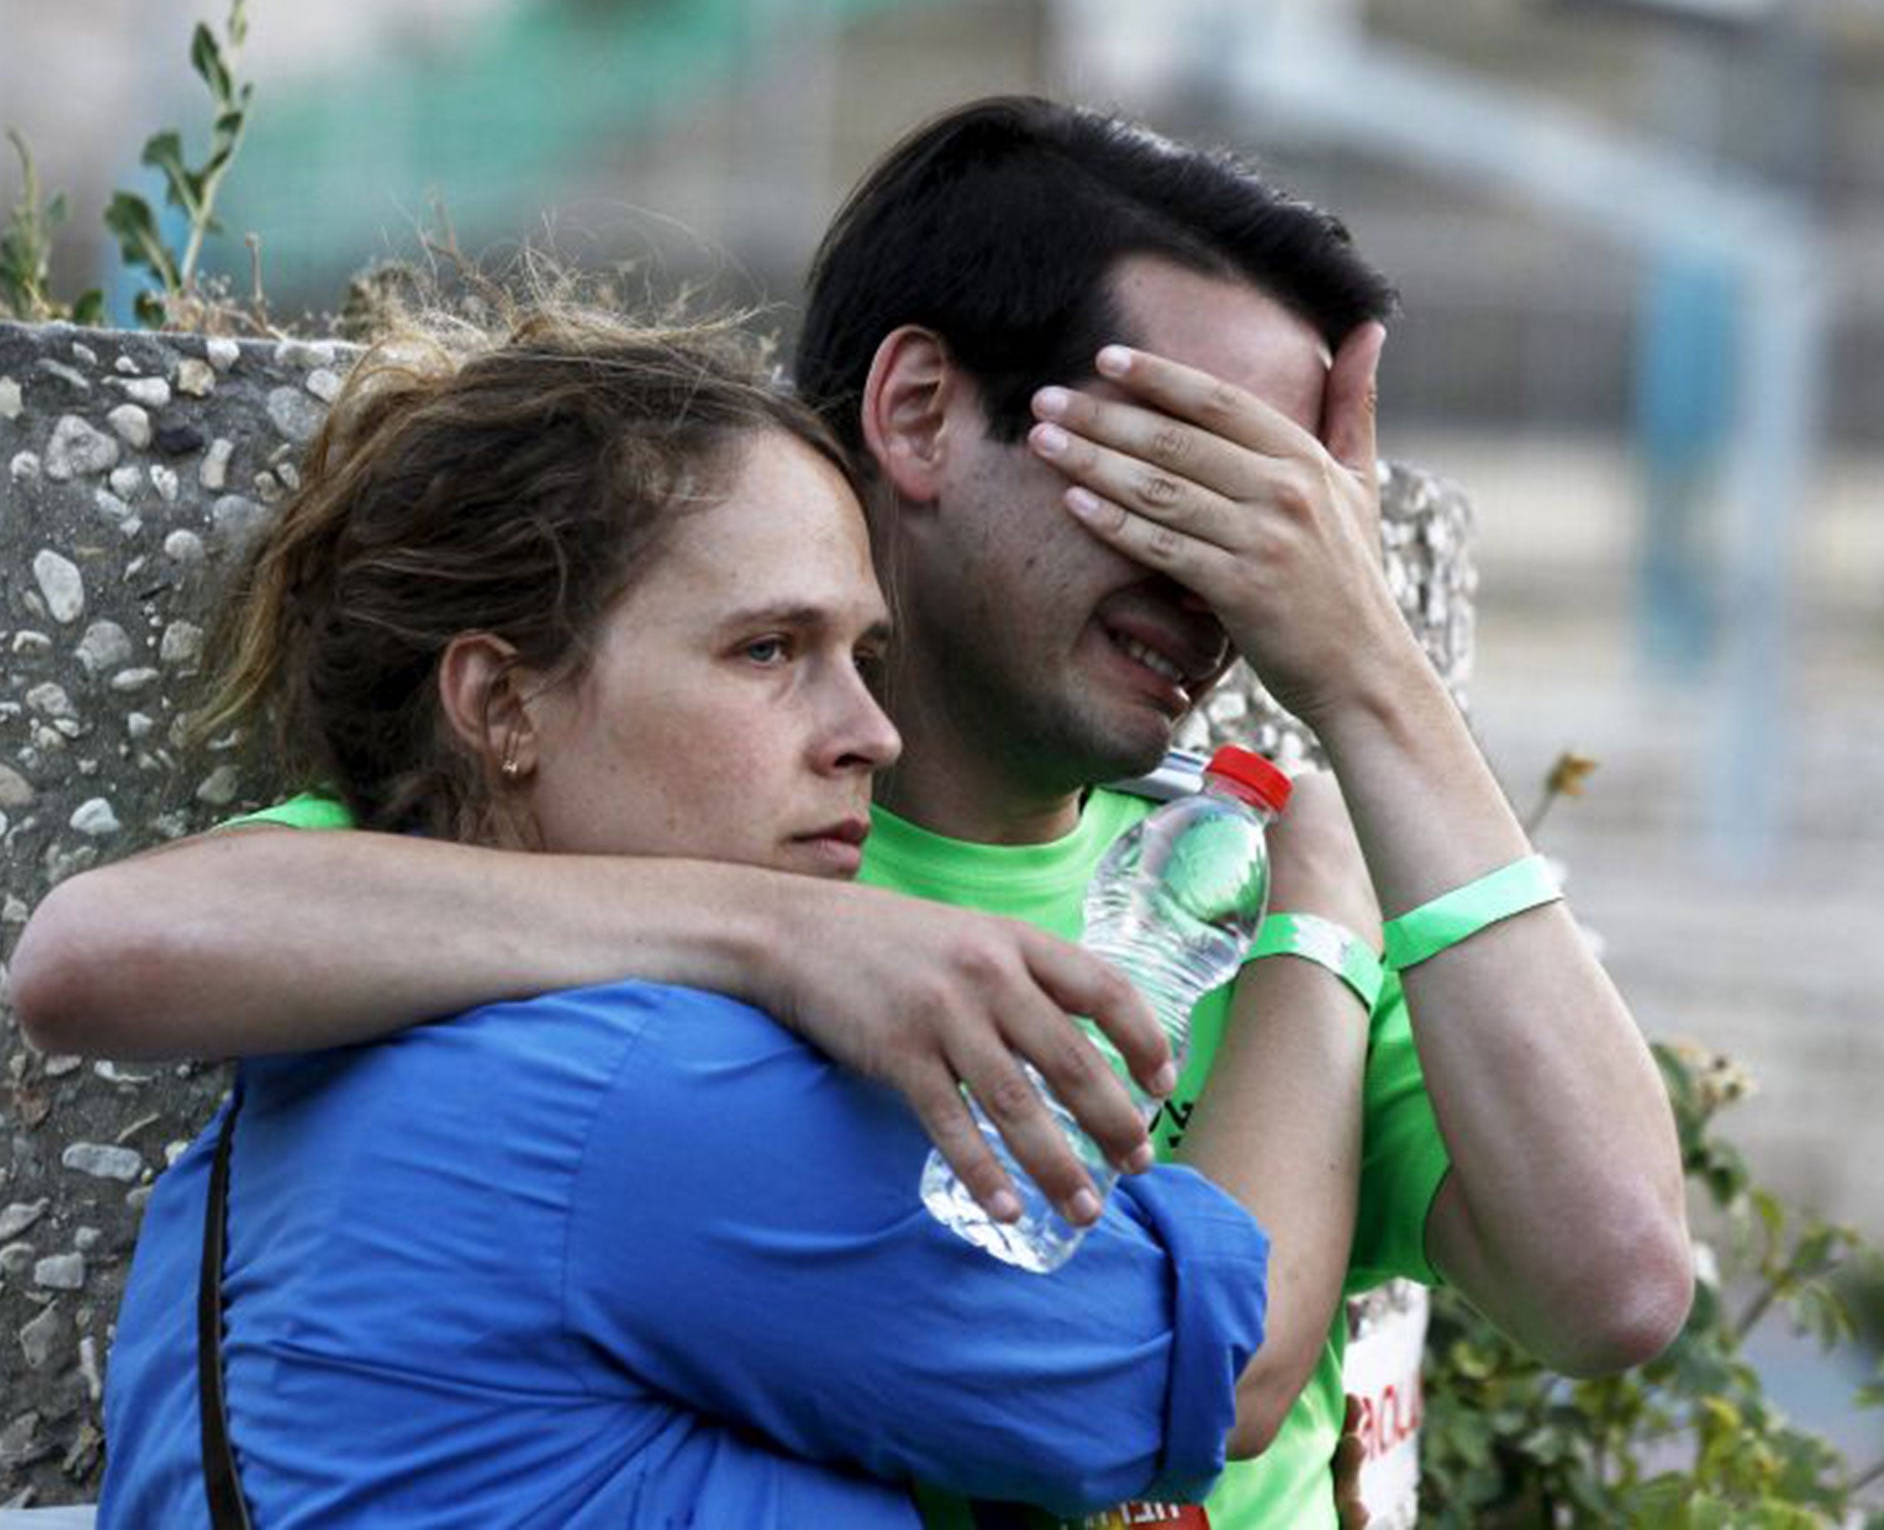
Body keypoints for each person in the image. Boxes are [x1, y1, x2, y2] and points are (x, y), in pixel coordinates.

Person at [17, 99, 1694, 1528]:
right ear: (915, 412)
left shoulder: (1263, 884)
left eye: (1285, 519)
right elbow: (103, 951)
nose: (1229, 580)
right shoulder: (649, 827)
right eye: (1180, 474)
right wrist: (782, 934)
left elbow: (1619, 1276)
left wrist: (1374, 684)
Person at [94, 301, 1292, 1528]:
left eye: (862, 659)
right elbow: (1207, 1373)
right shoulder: (646, 1088)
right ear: (504, 705)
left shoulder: (311, 1068)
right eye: (769, 650)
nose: (869, 734)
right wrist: (1321, 938)